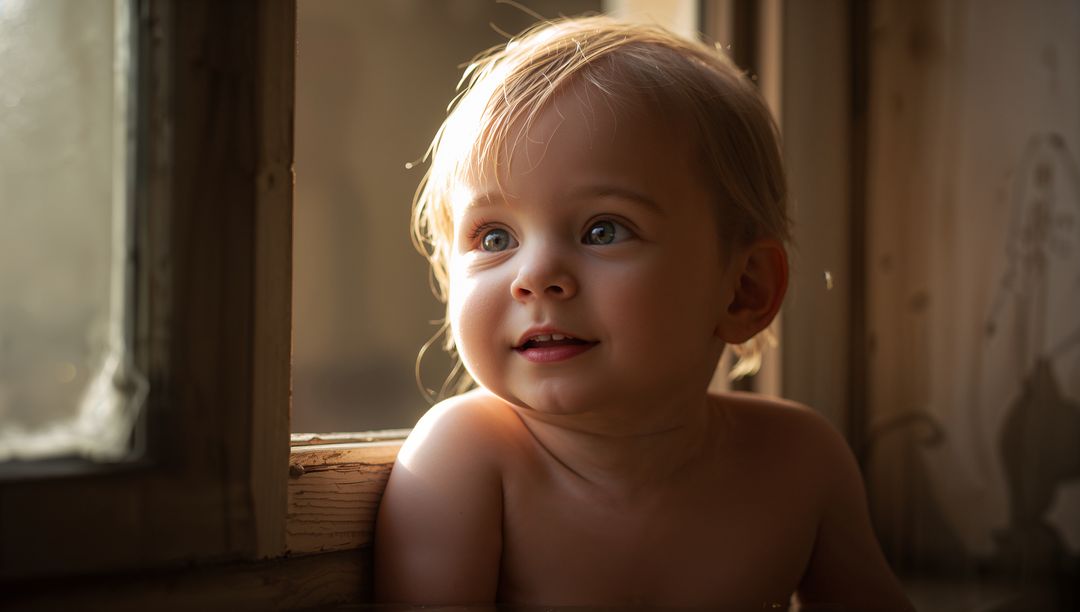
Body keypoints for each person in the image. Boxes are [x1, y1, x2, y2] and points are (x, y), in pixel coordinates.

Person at [374, 15, 913, 610]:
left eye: (604, 230)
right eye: (495, 238)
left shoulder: (800, 464)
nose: (533, 277)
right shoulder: (464, 460)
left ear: (744, 291)